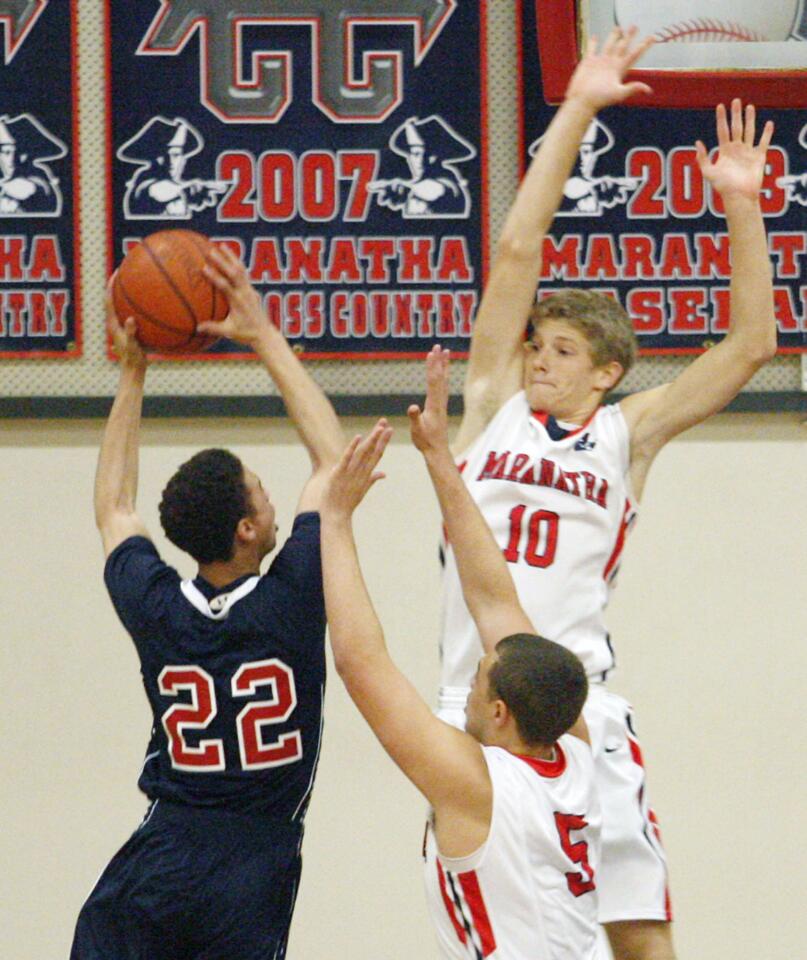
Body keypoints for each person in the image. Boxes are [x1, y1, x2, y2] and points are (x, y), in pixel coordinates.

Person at [440, 27, 777, 960]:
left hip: (582, 710)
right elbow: (515, 251)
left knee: (633, 936)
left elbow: (749, 347)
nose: (538, 360)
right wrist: (578, 106)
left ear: (608, 373)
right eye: (534, 345)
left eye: (561, 351)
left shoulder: (625, 433)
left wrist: (739, 208)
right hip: (476, 711)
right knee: (508, 938)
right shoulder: (489, 409)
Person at [70, 246, 343, 960]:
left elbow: (113, 506)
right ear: (248, 528)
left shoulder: (158, 607)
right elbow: (331, 464)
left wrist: (132, 374)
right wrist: (265, 337)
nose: (271, 495)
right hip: (250, 867)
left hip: (159, 852)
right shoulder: (291, 598)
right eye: (259, 488)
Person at [320, 346, 601, 959]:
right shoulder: (575, 750)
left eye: (477, 680)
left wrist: (334, 523)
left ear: (499, 713)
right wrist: (439, 459)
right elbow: (497, 604)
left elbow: (360, 664)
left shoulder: (475, 781)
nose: (467, 687)